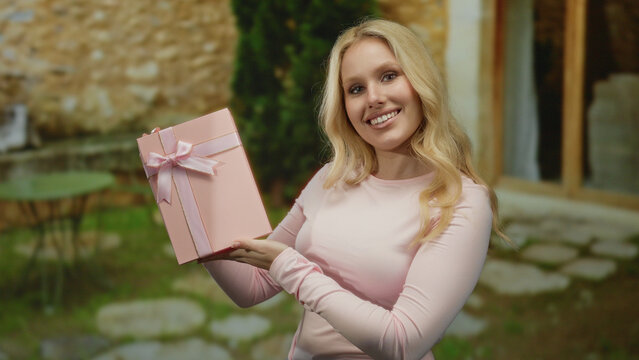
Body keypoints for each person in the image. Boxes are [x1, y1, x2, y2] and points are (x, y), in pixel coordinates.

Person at [201, 19, 505, 360]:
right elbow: (253, 286)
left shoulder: (460, 202)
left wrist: (291, 268)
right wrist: (190, 210)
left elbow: (402, 343)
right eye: (356, 89)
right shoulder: (333, 178)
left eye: (389, 76)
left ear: (421, 83)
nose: (374, 98)